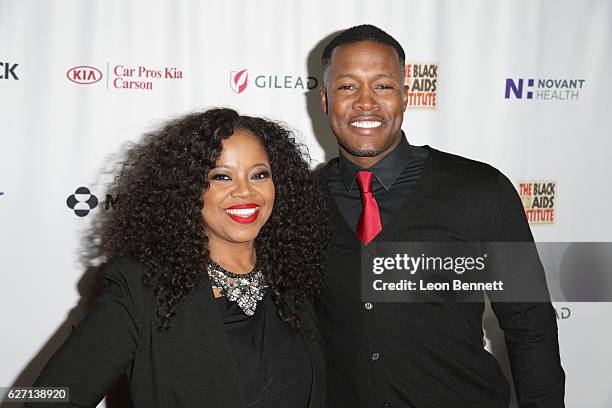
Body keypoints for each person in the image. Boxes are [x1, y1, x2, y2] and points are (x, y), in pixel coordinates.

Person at [314, 25, 565, 408]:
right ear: (326, 100)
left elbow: (530, 324)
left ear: (405, 96)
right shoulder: (299, 201)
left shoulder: (481, 190)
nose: (366, 103)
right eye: (348, 86)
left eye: (383, 86)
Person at [27, 108, 328, 408]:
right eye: (221, 176)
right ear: (188, 189)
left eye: (259, 174)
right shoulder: (142, 288)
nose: (245, 191)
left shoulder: (295, 280)